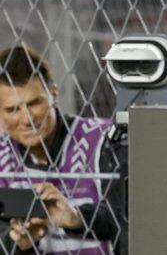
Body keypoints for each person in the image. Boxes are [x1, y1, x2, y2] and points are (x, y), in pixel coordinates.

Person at [0, 46, 127, 254]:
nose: (27, 119)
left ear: (53, 93)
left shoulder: (103, 139)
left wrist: (77, 218)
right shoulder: (2, 156)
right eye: (13, 109)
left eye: (34, 103)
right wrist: (18, 243)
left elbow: (134, 220)